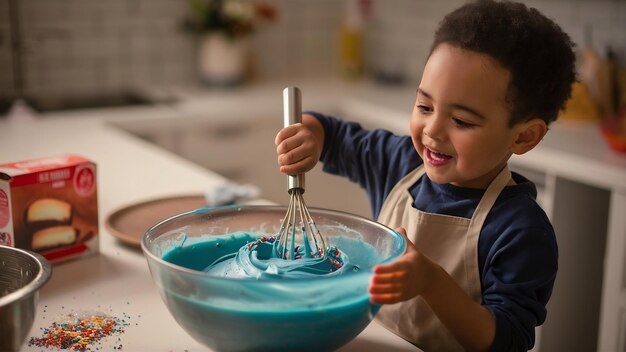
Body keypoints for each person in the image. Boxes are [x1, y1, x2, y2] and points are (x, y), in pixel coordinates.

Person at [274, 0, 576, 350]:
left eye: (461, 121)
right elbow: (333, 134)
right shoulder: (398, 162)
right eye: (424, 106)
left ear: (523, 136)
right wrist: (309, 135)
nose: (432, 130)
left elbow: (508, 340)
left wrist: (431, 281)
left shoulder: (520, 231)